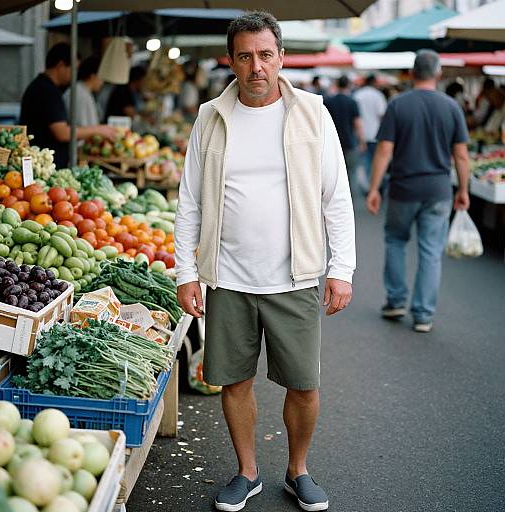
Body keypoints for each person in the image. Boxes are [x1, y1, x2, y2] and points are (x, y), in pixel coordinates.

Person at [174, 10, 355, 512]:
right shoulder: (210, 117)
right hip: (228, 275)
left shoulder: (313, 114)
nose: (257, 66)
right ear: (231, 60)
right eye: (246, 56)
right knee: (234, 380)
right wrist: (186, 272)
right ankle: (247, 471)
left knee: (304, 383)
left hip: (293, 274)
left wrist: (342, 269)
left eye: (266, 55)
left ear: (281, 58)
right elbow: (190, 200)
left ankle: (298, 470)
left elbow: (336, 198)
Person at [366, 49, 470, 333]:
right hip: (438, 190)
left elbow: (384, 151)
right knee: (431, 252)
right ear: (438, 74)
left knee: (396, 241)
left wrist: (374, 188)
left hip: (403, 188)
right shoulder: (452, 107)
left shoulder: (399, 105)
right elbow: (461, 156)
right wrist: (463, 189)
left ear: (412, 74)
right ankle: (423, 314)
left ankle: (396, 300)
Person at [20, 43, 115, 168]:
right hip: (44, 165)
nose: (75, 74)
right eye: (74, 69)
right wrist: (99, 130)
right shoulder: (46, 91)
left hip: (45, 163)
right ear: (61, 66)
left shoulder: (44, 87)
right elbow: (62, 133)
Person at [323, 75, 366, 192]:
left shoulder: (328, 101)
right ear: (348, 85)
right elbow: (357, 124)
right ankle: (349, 199)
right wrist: (362, 141)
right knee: (351, 173)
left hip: (331, 143)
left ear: (337, 85)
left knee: (333, 174)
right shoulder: (352, 102)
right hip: (349, 142)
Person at [353, 74, 387, 192]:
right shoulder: (378, 95)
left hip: (361, 135)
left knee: (365, 163)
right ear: (374, 82)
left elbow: (355, 117)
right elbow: (382, 115)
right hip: (376, 134)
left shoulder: (357, 95)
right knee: (376, 161)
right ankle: (376, 187)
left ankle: (368, 186)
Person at [64, 56, 103, 126]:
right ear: (93, 76)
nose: (102, 82)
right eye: (102, 78)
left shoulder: (83, 91)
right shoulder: (80, 94)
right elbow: (82, 126)